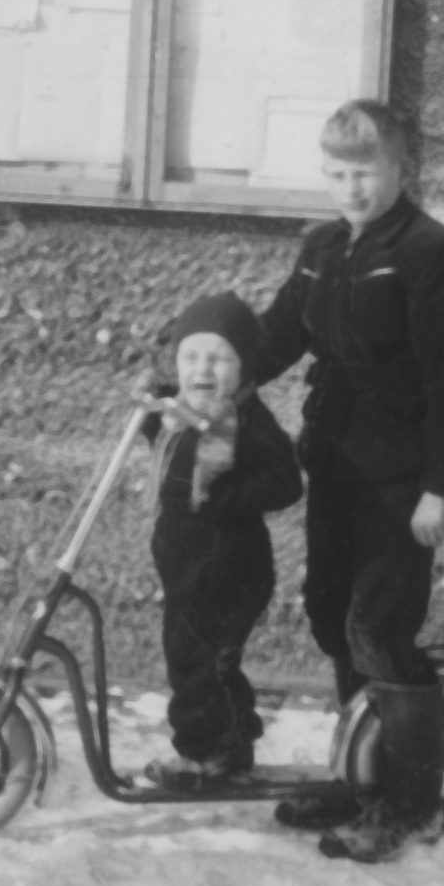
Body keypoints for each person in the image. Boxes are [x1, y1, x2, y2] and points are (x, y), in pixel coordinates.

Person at [256, 99, 444, 863]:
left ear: (399, 170)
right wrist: (198, 376)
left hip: (400, 477)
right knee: (332, 614)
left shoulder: (430, 253)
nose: (350, 188)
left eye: (365, 172)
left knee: (378, 628)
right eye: (336, 173)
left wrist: (440, 488)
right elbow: (276, 336)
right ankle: (364, 775)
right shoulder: (323, 246)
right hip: (334, 460)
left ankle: (411, 803)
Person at [136, 291, 303, 789]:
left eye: (220, 357)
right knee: (214, 662)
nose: (203, 368)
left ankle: (204, 754)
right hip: (188, 562)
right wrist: (148, 405)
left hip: (227, 567)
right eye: (191, 356)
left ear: (244, 365)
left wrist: (228, 495)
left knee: (194, 660)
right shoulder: (184, 411)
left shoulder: (249, 420)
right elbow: (170, 445)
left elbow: (286, 482)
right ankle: (233, 742)